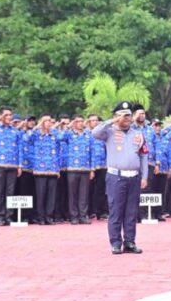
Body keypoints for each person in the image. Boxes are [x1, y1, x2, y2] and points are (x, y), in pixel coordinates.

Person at [91, 101, 148, 255]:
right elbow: (94, 133)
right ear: (116, 117)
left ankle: (130, 241)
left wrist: (145, 176)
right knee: (116, 210)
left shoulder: (138, 134)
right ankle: (116, 243)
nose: (127, 118)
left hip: (134, 177)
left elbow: (143, 156)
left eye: (129, 115)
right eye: (123, 115)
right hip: (116, 177)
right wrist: (112, 121)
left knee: (131, 212)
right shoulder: (109, 132)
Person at [58, 114, 93, 224]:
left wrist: (92, 169)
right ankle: (74, 216)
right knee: (72, 194)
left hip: (85, 168)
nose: (80, 123)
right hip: (72, 168)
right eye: (78, 121)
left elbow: (92, 152)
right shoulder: (69, 134)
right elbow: (59, 138)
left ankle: (83, 215)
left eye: (82, 121)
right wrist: (68, 127)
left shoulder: (88, 135)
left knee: (84, 194)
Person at [29, 115, 61, 225]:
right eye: (46, 121)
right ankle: (41, 217)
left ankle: (49, 217)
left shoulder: (54, 134)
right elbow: (27, 138)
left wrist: (58, 168)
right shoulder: (36, 134)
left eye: (50, 121)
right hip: (40, 168)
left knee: (51, 195)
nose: (48, 123)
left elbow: (59, 151)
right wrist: (37, 127)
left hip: (52, 168)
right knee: (41, 194)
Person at [87, 114, 108, 220]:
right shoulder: (86, 134)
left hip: (103, 164)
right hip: (90, 165)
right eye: (92, 120)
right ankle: (90, 211)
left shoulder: (103, 134)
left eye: (96, 120)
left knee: (102, 189)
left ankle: (102, 212)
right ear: (88, 122)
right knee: (89, 189)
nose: (95, 122)